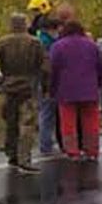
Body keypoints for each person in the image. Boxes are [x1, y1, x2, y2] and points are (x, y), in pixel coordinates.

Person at [0, 13, 49, 174]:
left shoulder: (3, 42)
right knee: (27, 123)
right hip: (28, 87)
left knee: (11, 122)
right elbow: (46, 68)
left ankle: (12, 155)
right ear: (25, 24)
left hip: (9, 87)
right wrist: (45, 86)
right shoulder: (35, 43)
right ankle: (24, 158)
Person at [50, 19, 102, 162]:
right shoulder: (92, 45)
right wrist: (98, 83)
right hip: (89, 89)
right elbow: (100, 67)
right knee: (91, 122)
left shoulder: (58, 46)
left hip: (66, 90)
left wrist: (52, 88)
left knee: (68, 123)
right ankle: (92, 151)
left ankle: (72, 152)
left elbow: (53, 69)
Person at [35, 16, 62, 156]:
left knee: (47, 113)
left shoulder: (39, 39)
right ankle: (46, 145)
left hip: (42, 81)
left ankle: (47, 143)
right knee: (47, 113)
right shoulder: (47, 42)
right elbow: (48, 65)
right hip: (47, 82)